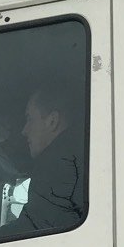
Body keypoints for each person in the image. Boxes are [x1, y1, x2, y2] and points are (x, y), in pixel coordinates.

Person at [8, 81, 86, 235]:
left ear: (52, 121)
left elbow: (33, 230)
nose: (24, 130)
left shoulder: (57, 165)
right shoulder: (78, 159)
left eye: (30, 119)